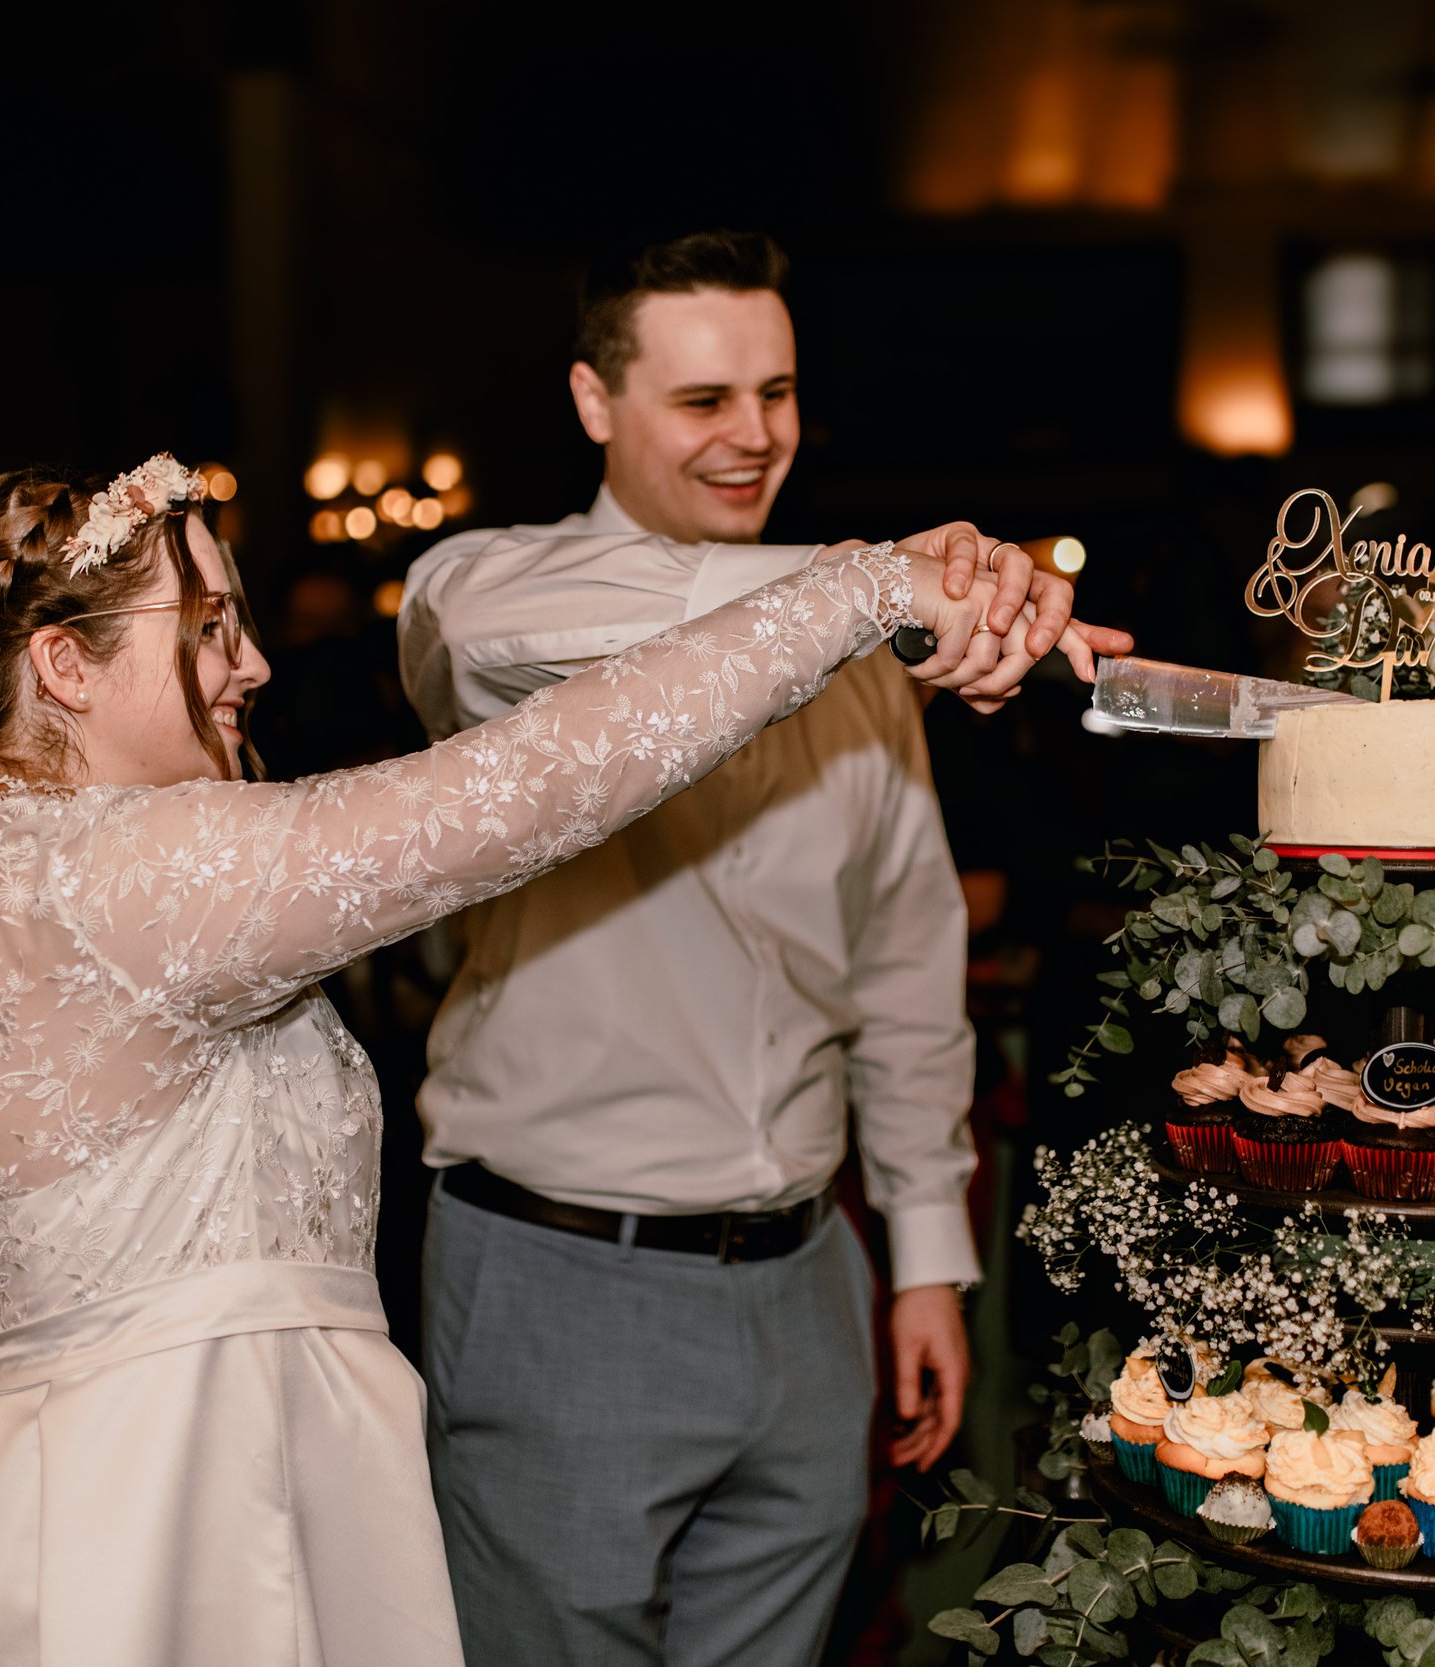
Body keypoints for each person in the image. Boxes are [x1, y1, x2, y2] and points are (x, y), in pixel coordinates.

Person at [0, 451, 1098, 1665]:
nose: (254, 663)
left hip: (43, 1510)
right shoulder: (127, 871)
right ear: (65, 664)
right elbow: (537, 780)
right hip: (211, 1514)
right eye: (211, 623)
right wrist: (864, 587)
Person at [398, 229, 1132, 1666]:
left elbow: (909, 974)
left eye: (777, 394)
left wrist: (924, 1257)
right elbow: (483, 624)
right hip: (563, 1278)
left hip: (809, 1292)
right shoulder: (494, 602)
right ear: (593, 402)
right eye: (703, 401)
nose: (753, 437)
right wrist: (880, 581)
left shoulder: (866, 672)